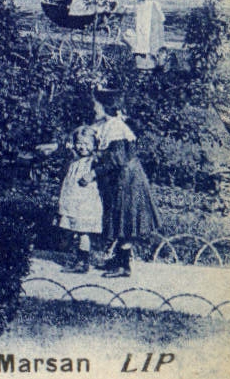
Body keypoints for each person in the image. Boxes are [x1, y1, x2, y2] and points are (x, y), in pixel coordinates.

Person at [92, 94, 160, 276]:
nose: (93, 110)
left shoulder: (116, 128)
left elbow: (118, 159)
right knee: (120, 220)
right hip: (122, 179)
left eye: (96, 106)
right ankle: (119, 260)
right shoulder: (106, 125)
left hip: (129, 180)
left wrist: (94, 172)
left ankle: (123, 266)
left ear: (106, 108)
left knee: (126, 220)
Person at [57, 123, 103, 273]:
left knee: (83, 231)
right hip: (73, 201)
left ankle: (83, 262)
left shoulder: (93, 161)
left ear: (94, 144)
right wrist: (69, 145)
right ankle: (78, 258)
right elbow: (65, 149)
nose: (82, 147)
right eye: (79, 143)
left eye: (86, 144)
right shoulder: (75, 159)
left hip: (85, 203)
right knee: (75, 230)